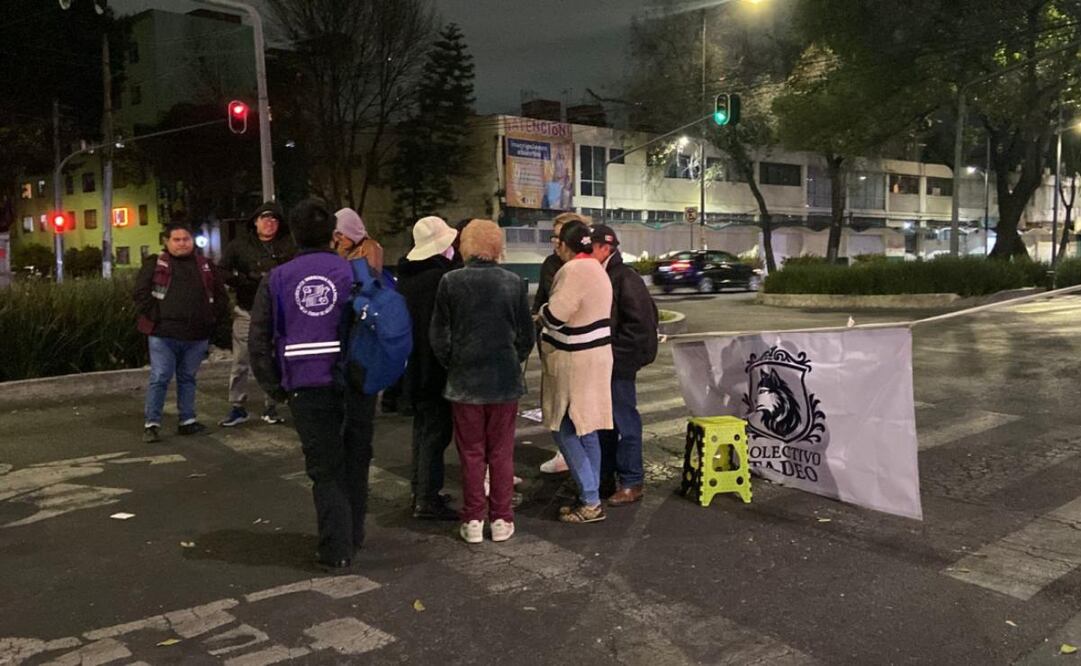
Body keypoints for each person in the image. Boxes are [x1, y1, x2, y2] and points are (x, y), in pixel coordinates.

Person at [249, 199, 374, 572]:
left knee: (324, 468)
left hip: (306, 385)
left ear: (295, 233)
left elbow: (259, 340)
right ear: (332, 234)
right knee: (356, 460)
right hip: (356, 383)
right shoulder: (356, 272)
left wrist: (275, 388)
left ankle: (335, 549)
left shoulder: (277, 278)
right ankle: (353, 534)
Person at [430, 219, 534, 544]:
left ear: (465, 245)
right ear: (497, 246)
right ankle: (502, 519)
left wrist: (455, 362)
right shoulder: (514, 282)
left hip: (465, 382)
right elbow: (526, 336)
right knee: (501, 452)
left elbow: (439, 336)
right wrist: (510, 358)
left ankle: (473, 519)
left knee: (471, 452)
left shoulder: (450, 282)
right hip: (503, 381)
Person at [537, 220, 613, 524]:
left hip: (574, 360)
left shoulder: (573, 270)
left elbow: (556, 316)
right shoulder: (597, 267)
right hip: (596, 356)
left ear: (564, 245)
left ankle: (591, 498)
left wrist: (541, 313)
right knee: (587, 428)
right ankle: (589, 497)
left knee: (563, 427)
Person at [134, 222, 228, 443]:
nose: (182, 244)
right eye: (176, 240)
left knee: (188, 378)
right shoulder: (155, 264)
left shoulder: (205, 265)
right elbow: (140, 293)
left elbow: (219, 295)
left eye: (186, 239)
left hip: (197, 334)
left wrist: (213, 320)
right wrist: (157, 316)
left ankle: (187, 420)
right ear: (167, 242)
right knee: (160, 376)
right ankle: (152, 424)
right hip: (163, 334)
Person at [590, 225, 659, 505]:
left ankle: (632, 481)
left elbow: (641, 325)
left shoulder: (624, 277)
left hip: (618, 365)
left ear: (606, 248)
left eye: (590, 247)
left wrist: (616, 357)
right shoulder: (604, 275)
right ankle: (606, 479)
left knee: (625, 423)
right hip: (604, 363)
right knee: (604, 425)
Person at [397, 216, 459, 521]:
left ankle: (419, 490)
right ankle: (426, 498)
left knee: (421, 431)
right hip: (433, 365)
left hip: (412, 364)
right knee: (436, 432)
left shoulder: (406, 277)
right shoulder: (439, 279)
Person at [218, 202, 295, 427]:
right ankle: (237, 406)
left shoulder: (289, 245)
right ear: (255, 221)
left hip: (278, 312)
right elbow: (221, 271)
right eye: (264, 218)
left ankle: (271, 405)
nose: (269, 223)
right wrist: (244, 280)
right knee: (241, 360)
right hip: (247, 309)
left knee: (273, 358)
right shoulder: (240, 245)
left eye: (274, 219)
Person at [535, 213, 589, 475]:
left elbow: (559, 310)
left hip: (576, 348)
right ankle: (568, 458)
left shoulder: (579, 269)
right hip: (553, 344)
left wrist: (545, 315)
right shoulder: (551, 264)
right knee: (558, 409)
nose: (556, 243)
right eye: (553, 237)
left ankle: (588, 484)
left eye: (560, 237)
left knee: (576, 415)